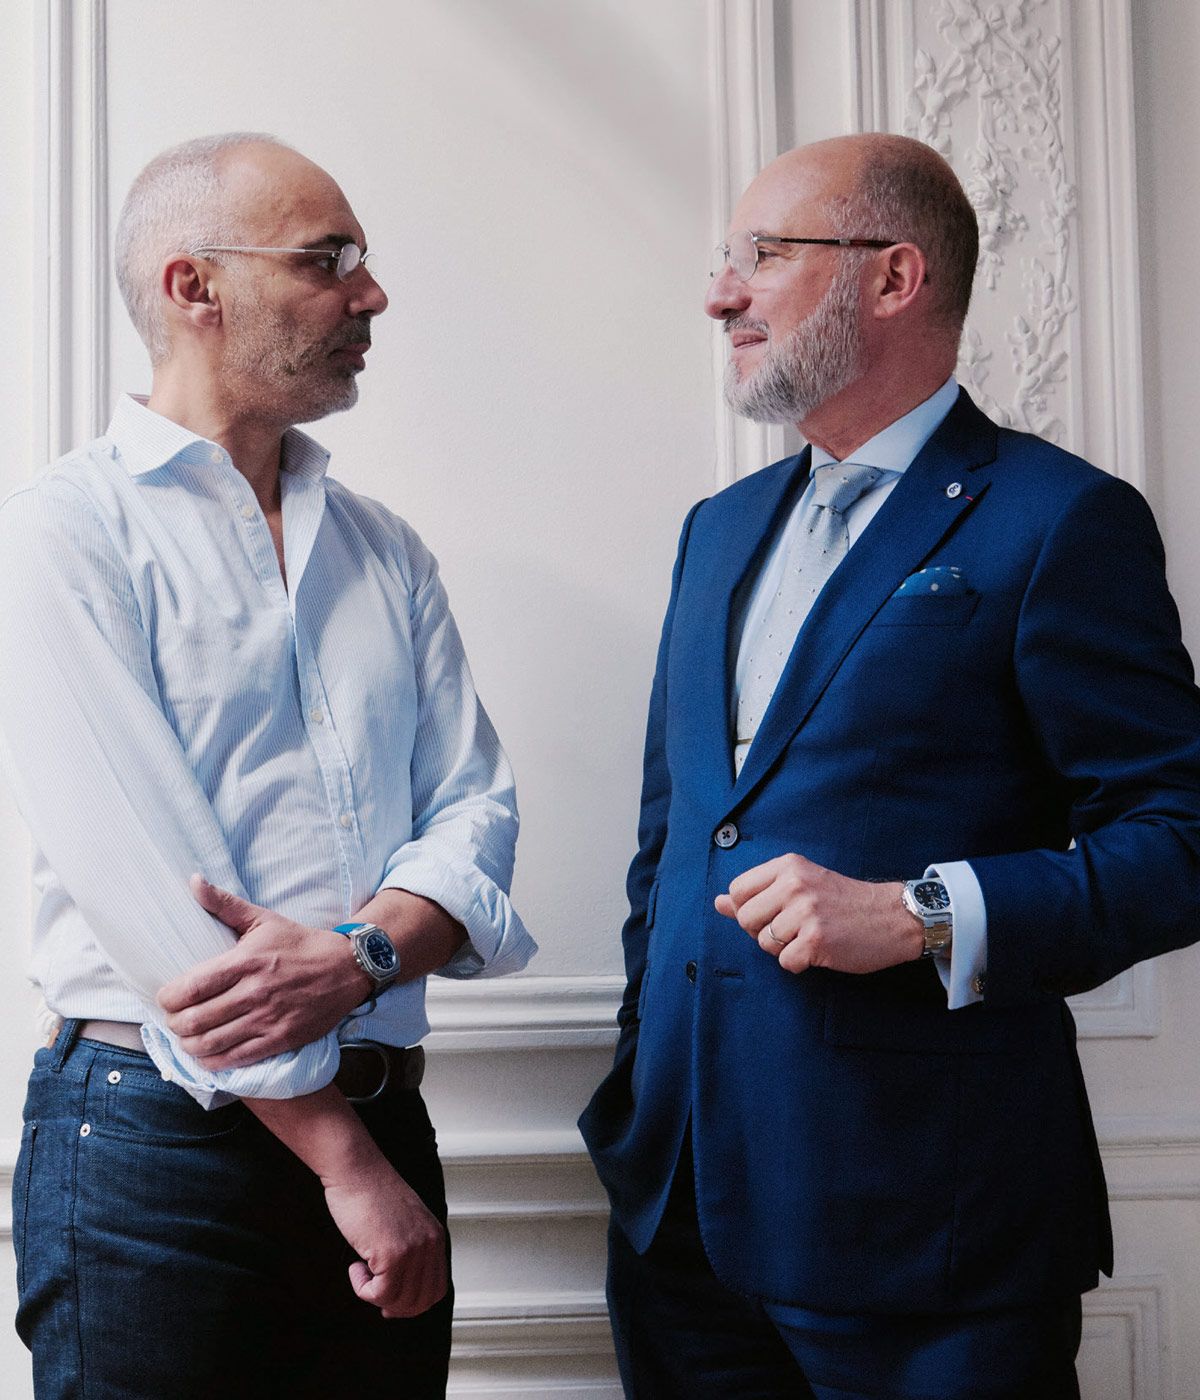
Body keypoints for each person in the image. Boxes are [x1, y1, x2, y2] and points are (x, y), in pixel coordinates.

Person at [579, 132, 1200, 1399]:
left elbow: (1182, 833)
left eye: (760, 257)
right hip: (679, 1221)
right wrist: (646, 1074)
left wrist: (920, 915)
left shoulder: (1058, 519)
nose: (721, 292)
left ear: (893, 275)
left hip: (933, 1238)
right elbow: (676, 837)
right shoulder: (719, 530)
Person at [0, 132, 536, 1399]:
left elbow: (475, 807)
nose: (371, 293)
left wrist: (359, 953)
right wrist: (348, 1163)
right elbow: (154, 891)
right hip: (157, 1146)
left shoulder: (385, 548)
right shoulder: (62, 531)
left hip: (383, 1104)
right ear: (195, 287)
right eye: (328, 259)